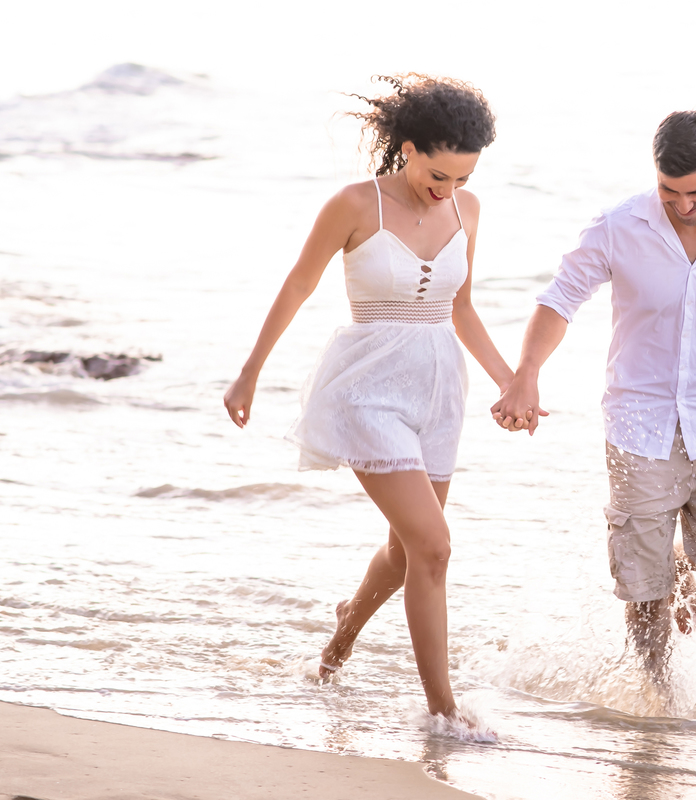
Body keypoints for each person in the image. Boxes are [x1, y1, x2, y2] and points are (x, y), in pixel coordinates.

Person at [223, 74, 512, 734]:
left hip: (440, 388)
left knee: (407, 548)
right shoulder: (355, 205)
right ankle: (443, 712)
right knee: (434, 546)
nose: (449, 191)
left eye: (462, 179)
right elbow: (298, 285)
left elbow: (461, 308)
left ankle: (344, 629)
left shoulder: (468, 211)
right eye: (439, 175)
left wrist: (510, 380)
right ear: (408, 149)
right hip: (368, 390)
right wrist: (249, 373)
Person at [491, 111, 696, 682]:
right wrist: (526, 372)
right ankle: (659, 694)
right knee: (642, 584)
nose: (683, 206)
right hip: (638, 425)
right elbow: (559, 301)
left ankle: (679, 564)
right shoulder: (617, 227)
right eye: (669, 191)